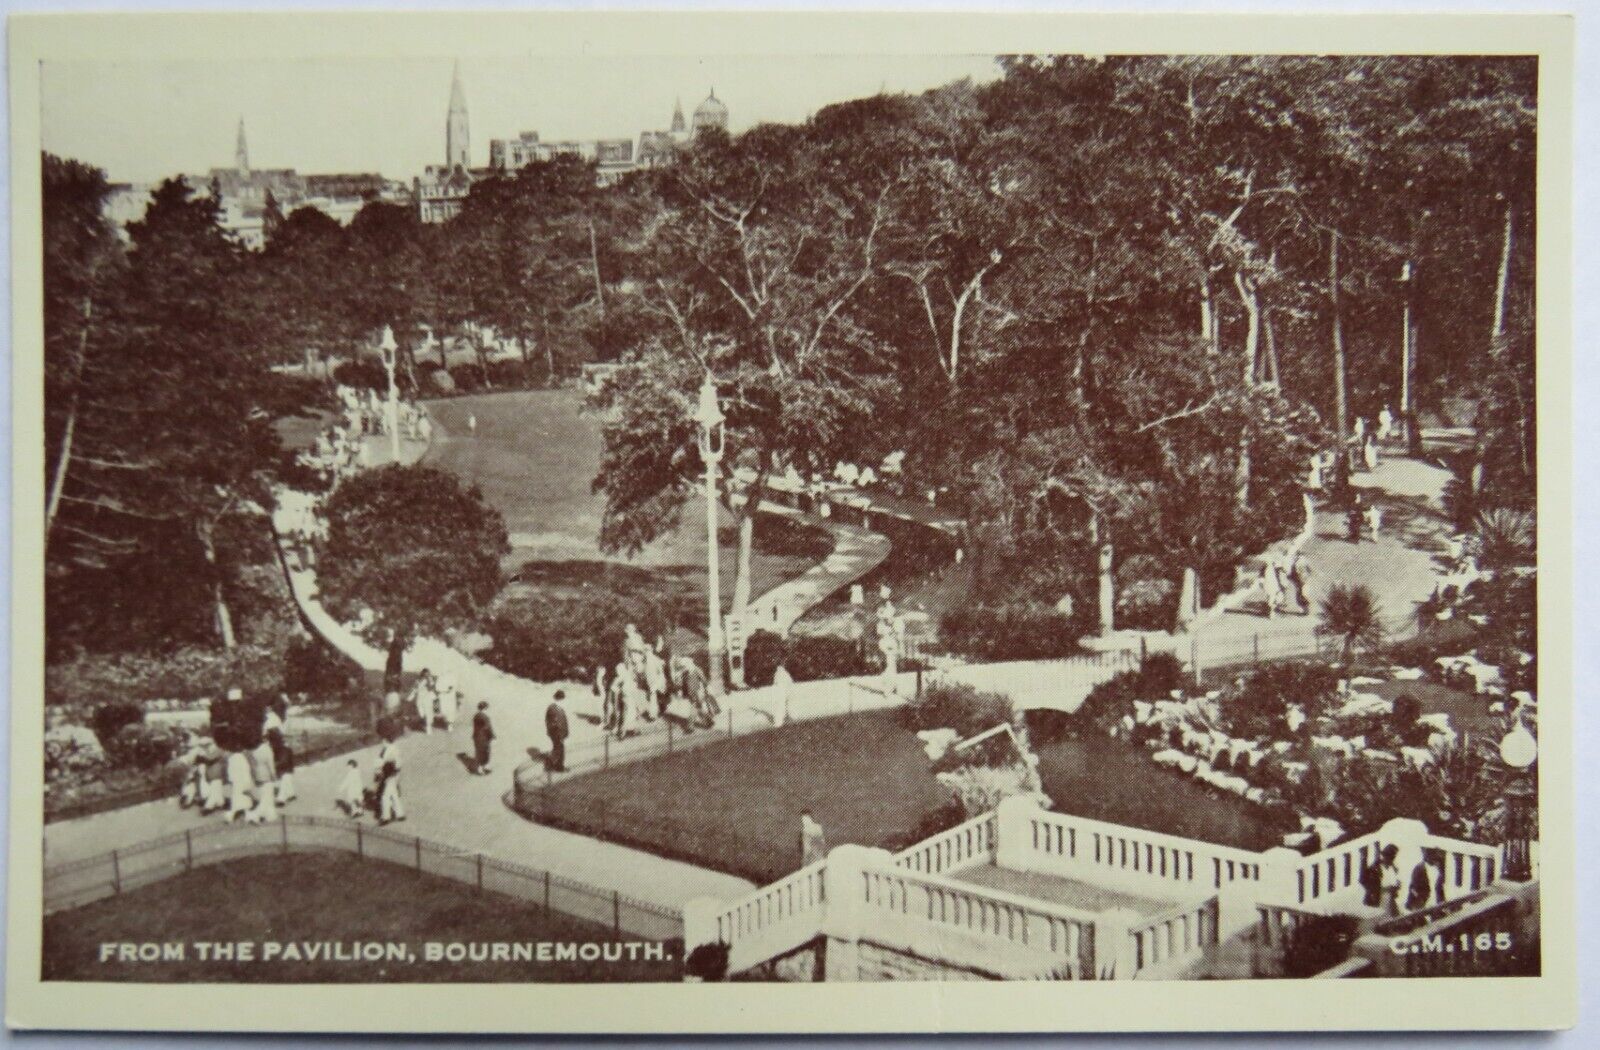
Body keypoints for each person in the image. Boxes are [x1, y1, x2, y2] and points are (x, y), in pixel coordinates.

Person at [376, 736, 405, 824]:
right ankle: (400, 814)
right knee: (394, 795)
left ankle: (386, 817)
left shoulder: (391, 749)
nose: (382, 743)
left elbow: (396, 763)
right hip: (391, 774)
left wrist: (390, 775)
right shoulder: (390, 748)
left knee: (385, 796)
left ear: (386, 741)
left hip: (390, 775)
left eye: (383, 741)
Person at [226, 747, 254, 822]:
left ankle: (233, 815)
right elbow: (247, 771)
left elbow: (230, 772)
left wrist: (231, 780)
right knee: (245, 798)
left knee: (236, 798)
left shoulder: (231, 759)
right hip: (243, 780)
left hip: (236, 781)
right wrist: (249, 781)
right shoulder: (243, 759)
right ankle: (246, 815)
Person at [545, 690, 570, 773]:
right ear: (559, 699)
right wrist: (558, 733)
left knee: (559, 749)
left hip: (559, 733)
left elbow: (563, 721)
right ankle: (551, 766)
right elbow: (553, 723)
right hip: (556, 733)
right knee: (558, 749)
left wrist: (565, 732)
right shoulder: (553, 708)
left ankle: (559, 767)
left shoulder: (558, 707)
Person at [472, 701, 495, 775]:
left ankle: (483, 767)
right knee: (484, 752)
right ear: (485, 708)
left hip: (476, 736)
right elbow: (488, 728)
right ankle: (481, 768)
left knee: (478, 752)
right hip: (484, 737)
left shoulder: (476, 715)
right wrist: (492, 736)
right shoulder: (485, 717)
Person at [772, 662, 794, 727]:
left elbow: (775, 682)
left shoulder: (778, 673)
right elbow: (790, 681)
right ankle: (785, 719)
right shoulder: (785, 673)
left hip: (781, 691)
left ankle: (778, 722)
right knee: (785, 705)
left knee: (780, 706)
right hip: (785, 690)